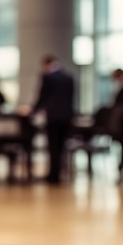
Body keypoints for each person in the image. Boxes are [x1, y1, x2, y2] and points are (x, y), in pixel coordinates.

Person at [32, 54, 74, 185]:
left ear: (46, 64)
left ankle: (53, 175)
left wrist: (33, 111)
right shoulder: (69, 77)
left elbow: (42, 97)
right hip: (66, 117)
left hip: (54, 117)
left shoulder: (48, 77)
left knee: (53, 146)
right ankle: (60, 173)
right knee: (61, 147)